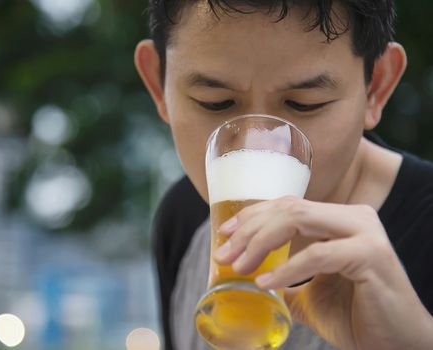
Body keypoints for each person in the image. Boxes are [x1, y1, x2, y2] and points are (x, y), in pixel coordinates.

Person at [134, 1, 433, 349]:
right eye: (215, 102)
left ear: (375, 87)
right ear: (158, 83)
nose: (256, 148)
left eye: (304, 104)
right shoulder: (184, 216)